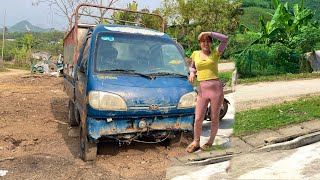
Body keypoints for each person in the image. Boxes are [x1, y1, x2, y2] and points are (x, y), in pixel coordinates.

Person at [186, 31, 228, 153]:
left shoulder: (216, 53)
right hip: (203, 90)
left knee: (214, 118)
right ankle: (196, 142)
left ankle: (210, 142)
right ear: (199, 43)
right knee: (198, 118)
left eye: (208, 41)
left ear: (211, 43)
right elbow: (193, 66)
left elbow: (225, 39)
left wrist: (208, 33)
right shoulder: (195, 54)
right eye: (203, 41)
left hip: (216, 90)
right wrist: (192, 72)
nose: (205, 43)